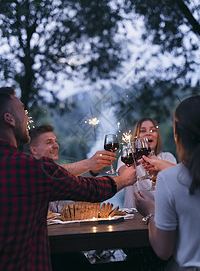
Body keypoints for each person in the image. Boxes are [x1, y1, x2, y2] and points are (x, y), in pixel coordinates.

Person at [0, 87, 137, 271]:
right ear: (9, 119)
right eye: (22, 110)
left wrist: (91, 169)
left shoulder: (26, 168)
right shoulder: (31, 168)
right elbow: (87, 190)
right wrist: (123, 180)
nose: (27, 117)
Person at [135, 95, 200, 270]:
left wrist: (150, 212)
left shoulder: (169, 178)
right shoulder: (169, 173)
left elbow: (163, 250)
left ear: (177, 132)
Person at [28, 125, 117, 212]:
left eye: (56, 141)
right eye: (49, 142)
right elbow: (52, 173)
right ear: (34, 150)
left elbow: (81, 190)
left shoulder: (56, 177)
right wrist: (90, 163)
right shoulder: (32, 173)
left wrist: (93, 172)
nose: (56, 146)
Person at [117, 117, 177, 208]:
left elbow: (178, 183)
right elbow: (123, 175)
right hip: (133, 217)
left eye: (152, 130)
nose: (148, 133)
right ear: (137, 136)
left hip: (161, 216)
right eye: (143, 131)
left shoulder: (168, 157)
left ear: (157, 135)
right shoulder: (128, 155)